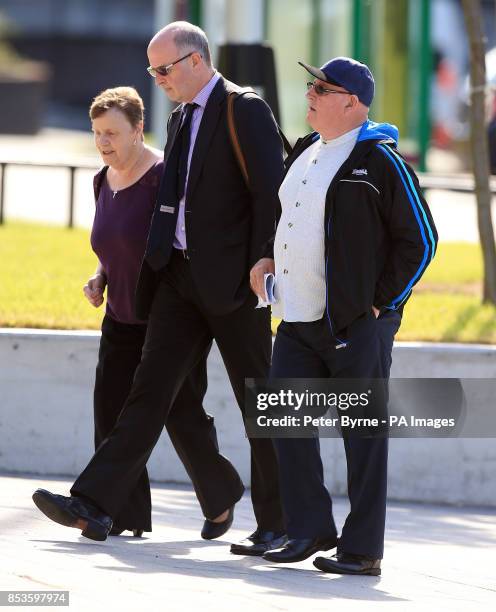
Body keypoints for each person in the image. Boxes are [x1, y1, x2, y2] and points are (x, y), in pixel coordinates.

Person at [32, 22, 287, 554]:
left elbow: (270, 192)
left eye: (164, 68)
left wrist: (264, 255)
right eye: (152, 70)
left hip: (237, 285)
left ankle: (279, 520)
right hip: (178, 280)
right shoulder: (178, 118)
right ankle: (95, 503)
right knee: (148, 394)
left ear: (196, 60)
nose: (158, 78)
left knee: (257, 401)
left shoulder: (245, 110)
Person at [251, 57, 438, 574]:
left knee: (361, 436)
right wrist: (269, 257)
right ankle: (308, 529)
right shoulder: (307, 150)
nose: (310, 92)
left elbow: (421, 241)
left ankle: (361, 550)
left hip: (357, 325)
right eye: (311, 84)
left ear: (352, 102)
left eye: (322, 87)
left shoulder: (381, 161)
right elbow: (290, 219)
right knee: (285, 422)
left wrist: (378, 304)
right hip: (297, 319)